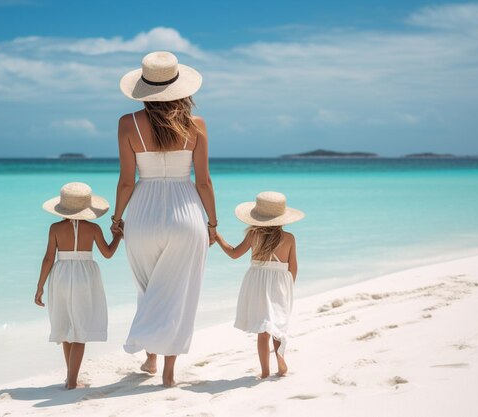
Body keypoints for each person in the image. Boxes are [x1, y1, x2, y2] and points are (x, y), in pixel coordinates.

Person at [112, 51, 217, 387]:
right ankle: (168, 371)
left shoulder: (127, 124)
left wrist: (116, 218)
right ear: (181, 88)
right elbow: (203, 181)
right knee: (178, 292)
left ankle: (150, 358)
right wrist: (213, 224)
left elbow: (127, 180)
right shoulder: (196, 126)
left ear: (143, 89)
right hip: (186, 212)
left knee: (149, 287)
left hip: (142, 212)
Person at [35, 182, 121, 389]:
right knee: (80, 329)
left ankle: (70, 377)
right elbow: (108, 254)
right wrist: (118, 236)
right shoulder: (93, 228)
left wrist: (40, 287)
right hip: (85, 276)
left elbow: (48, 259)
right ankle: (72, 381)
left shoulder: (55, 228)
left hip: (61, 274)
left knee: (65, 326)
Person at [215, 191, 304, 378]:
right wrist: (289, 288)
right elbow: (293, 267)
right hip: (280, 284)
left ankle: (264, 372)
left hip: (256, 284)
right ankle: (280, 360)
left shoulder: (254, 235)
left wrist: (217, 237)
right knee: (277, 324)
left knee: (263, 329)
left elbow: (233, 253)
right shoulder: (289, 238)